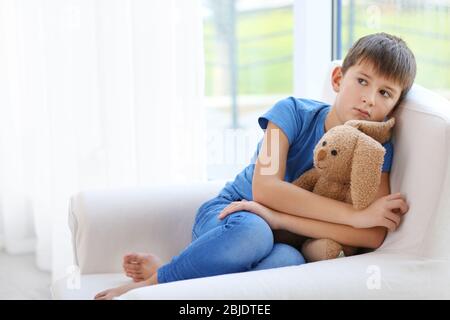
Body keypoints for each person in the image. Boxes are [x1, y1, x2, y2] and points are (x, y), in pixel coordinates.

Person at [94, 32, 415, 300]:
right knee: (256, 232)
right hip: (231, 217)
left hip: (279, 239)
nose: (370, 99)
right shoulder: (291, 113)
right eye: (362, 81)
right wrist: (355, 217)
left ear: (394, 107)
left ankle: (181, 275)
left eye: (385, 93)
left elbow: (372, 235)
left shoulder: (375, 150)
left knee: (289, 259)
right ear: (337, 79)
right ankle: (149, 287)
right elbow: (266, 188)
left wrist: (280, 219)